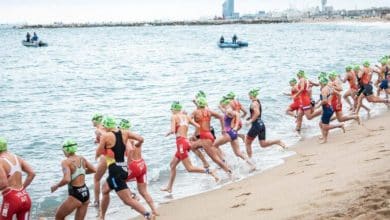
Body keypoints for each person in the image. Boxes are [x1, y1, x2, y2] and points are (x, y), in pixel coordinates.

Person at [96, 116, 154, 220]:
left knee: (127, 200)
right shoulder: (124, 133)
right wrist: (138, 145)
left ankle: (147, 214)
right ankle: (102, 217)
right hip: (123, 168)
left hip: (115, 171)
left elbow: (99, 152)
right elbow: (141, 139)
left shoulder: (106, 136)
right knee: (105, 190)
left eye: (104, 127)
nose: (103, 129)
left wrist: (99, 148)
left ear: (107, 127)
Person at [161, 102, 219, 193]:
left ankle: (210, 171)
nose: (171, 111)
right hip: (186, 142)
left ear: (175, 109)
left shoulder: (174, 117)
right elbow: (198, 126)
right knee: (172, 165)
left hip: (181, 143)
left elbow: (172, 130)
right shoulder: (186, 116)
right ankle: (169, 187)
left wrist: (168, 133)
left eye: (171, 109)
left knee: (190, 168)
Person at [50, 139, 96, 220]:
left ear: (66, 149)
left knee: (59, 217)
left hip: (75, 194)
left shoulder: (66, 162)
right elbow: (93, 170)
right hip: (85, 192)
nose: (63, 152)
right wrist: (80, 172)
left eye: (63, 150)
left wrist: (56, 186)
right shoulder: (82, 158)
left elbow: (67, 179)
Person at [190, 97, 233, 176]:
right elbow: (221, 117)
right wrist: (223, 129)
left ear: (198, 104)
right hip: (209, 135)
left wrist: (193, 123)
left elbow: (188, 120)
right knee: (192, 146)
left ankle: (228, 171)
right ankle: (205, 162)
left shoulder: (195, 112)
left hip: (204, 138)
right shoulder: (208, 111)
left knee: (215, 159)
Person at [213, 100, 256, 171]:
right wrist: (220, 108)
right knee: (238, 153)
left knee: (214, 145)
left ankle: (224, 163)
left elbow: (232, 113)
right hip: (233, 133)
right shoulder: (230, 111)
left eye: (221, 104)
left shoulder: (229, 110)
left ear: (224, 103)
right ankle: (252, 164)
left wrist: (235, 126)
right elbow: (228, 113)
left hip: (228, 132)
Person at [0, 137, 35, 220]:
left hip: (11, 199)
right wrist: (22, 188)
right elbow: (32, 173)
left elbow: (4, 183)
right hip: (25, 197)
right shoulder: (17, 157)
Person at [245, 89, 286, 158]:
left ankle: (250, 160)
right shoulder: (257, 102)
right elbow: (257, 113)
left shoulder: (253, 103)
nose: (248, 96)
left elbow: (257, 113)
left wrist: (250, 121)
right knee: (263, 144)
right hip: (261, 124)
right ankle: (277, 141)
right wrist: (250, 117)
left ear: (252, 95)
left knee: (247, 143)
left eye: (249, 94)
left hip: (256, 125)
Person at [318, 77, 345, 144]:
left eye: (320, 82)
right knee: (322, 124)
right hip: (330, 108)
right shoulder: (330, 88)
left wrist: (317, 106)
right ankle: (325, 139)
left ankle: (339, 125)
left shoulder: (324, 90)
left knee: (325, 126)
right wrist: (339, 103)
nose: (319, 84)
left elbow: (324, 101)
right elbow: (339, 94)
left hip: (327, 109)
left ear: (322, 83)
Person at [91, 113, 106, 207]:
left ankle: (96, 201)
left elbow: (103, 141)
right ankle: (131, 194)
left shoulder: (98, 130)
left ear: (95, 120)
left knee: (96, 178)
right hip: (113, 155)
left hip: (104, 156)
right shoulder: (107, 127)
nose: (91, 122)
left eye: (92, 120)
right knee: (117, 177)